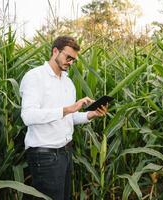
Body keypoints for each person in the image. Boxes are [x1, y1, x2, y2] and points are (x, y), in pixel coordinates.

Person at [19, 36, 107, 200]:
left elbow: (69, 117)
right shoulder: (35, 77)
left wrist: (90, 114)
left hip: (65, 153)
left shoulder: (68, 83)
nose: (71, 62)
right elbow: (28, 116)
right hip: (44, 155)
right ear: (55, 51)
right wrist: (67, 109)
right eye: (68, 57)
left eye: (74, 59)